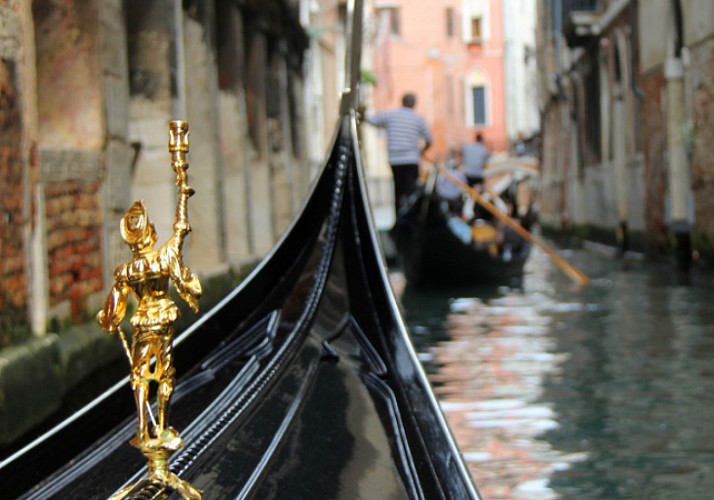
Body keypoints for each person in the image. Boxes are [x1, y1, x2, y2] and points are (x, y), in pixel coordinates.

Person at [364, 93, 432, 216]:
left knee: (398, 190)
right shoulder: (418, 119)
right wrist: (422, 151)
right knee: (411, 191)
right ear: (414, 104)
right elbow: (429, 140)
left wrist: (361, 113)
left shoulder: (390, 115)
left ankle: (399, 219)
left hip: (395, 160)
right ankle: (411, 218)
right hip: (411, 159)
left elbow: (372, 121)